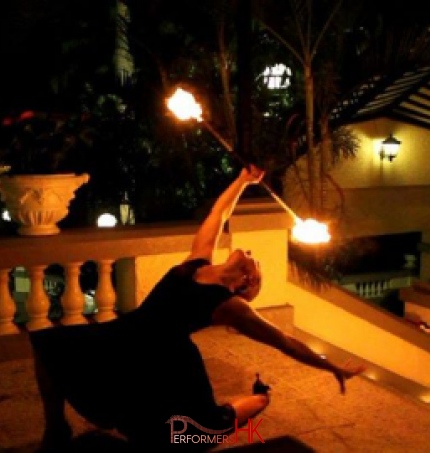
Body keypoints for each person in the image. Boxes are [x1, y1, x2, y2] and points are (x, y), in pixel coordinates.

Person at [30, 164, 365, 452]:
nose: (250, 253)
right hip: (128, 331)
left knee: (201, 430)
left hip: (167, 358)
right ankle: (55, 427)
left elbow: (286, 343)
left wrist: (331, 366)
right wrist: (242, 181)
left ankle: (261, 398)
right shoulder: (197, 262)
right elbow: (219, 215)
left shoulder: (229, 305)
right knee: (50, 347)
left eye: (257, 264)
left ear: (245, 284)